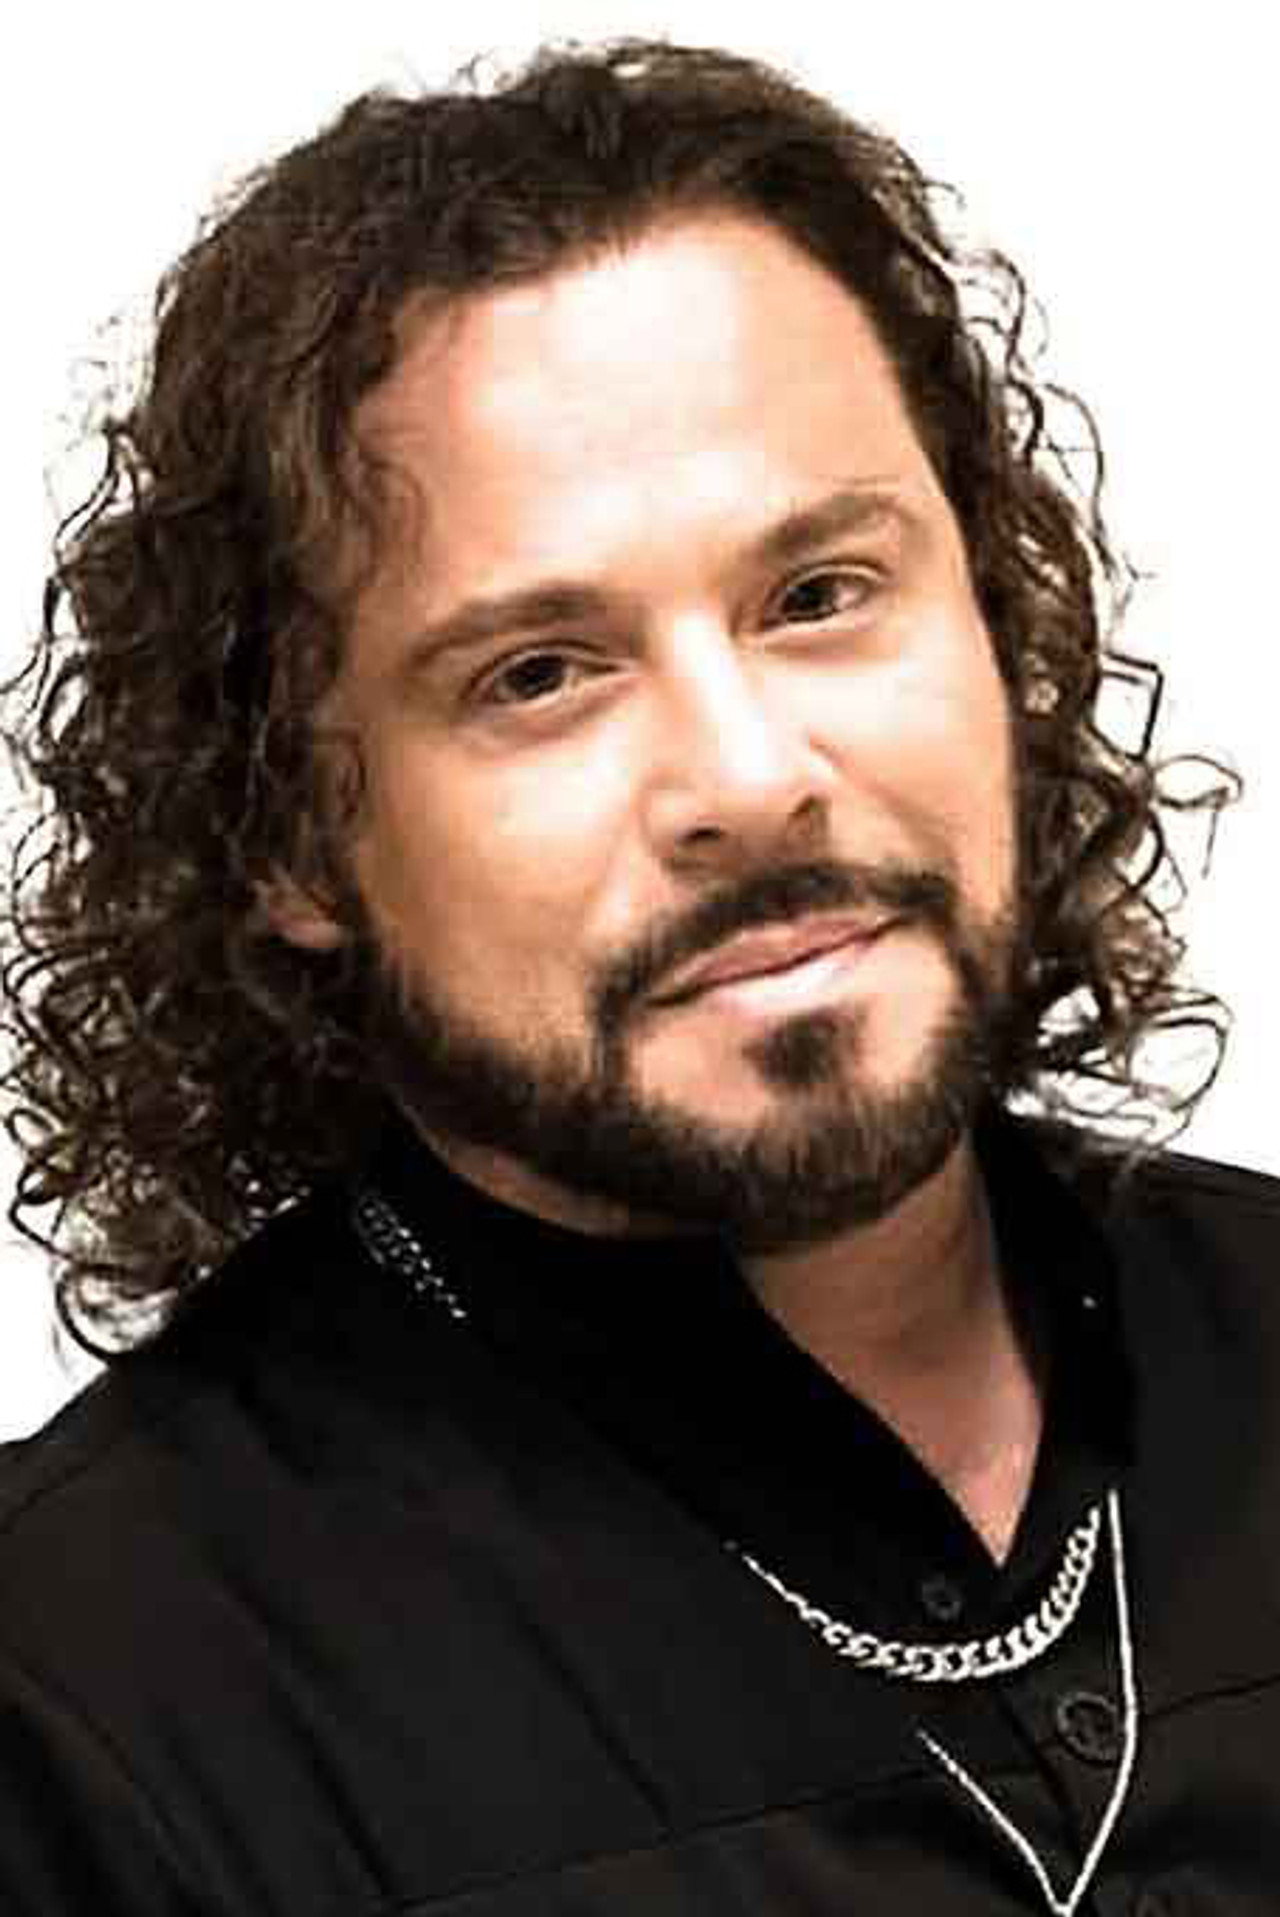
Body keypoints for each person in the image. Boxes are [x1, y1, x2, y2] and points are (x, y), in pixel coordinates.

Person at [1, 34, 1276, 1915]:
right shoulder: (92, 1699)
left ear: (997, 617)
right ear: (288, 837)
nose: (749, 778)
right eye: (541, 674)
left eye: (820, 594)